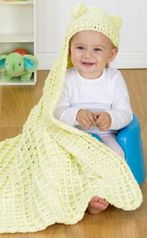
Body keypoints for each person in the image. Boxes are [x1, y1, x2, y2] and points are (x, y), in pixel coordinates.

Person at [54, 4, 133, 215]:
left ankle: (101, 195)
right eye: (80, 47)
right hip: (74, 135)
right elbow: (57, 111)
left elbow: (126, 113)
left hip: (105, 135)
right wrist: (76, 115)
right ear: (69, 49)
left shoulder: (114, 79)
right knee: (68, 160)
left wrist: (111, 118)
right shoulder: (67, 78)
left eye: (97, 49)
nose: (88, 55)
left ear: (111, 54)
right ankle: (79, 195)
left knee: (115, 155)